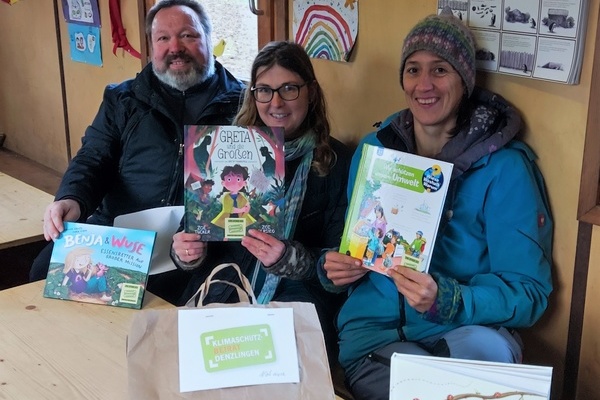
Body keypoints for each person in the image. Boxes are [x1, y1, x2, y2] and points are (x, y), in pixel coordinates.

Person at [319, 10, 553, 400]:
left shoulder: (506, 168)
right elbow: (352, 248)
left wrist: (451, 299)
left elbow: (529, 294)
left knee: (478, 377)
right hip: (375, 336)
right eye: (413, 70)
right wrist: (337, 270)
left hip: (469, 330)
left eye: (440, 69)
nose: (424, 85)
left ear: (464, 80)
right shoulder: (374, 152)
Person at [30, 0, 244, 302]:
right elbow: (93, 158)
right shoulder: (123, 99)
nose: (175, 48)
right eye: (163, 38)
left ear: (209, 39)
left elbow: (240, 189)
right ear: (151, 46)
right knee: (45, 272)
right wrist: (71, 197)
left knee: (183, 301)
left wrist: (199, 236)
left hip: (195, 243)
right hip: (122, 237)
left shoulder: (242, 106)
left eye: (188, 36)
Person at [171, 41, 352, 361]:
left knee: (272, 364)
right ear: (253, 95)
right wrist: (186, 251)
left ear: (310, 91)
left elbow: (337, 269)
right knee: (198, 363)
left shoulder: (336, 162)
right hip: (224, 282)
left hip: (297, 297)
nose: (276, 102)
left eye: (289, 89)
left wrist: (288, 256)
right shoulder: (226, 148)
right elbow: (193, 229)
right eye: (264, 90)